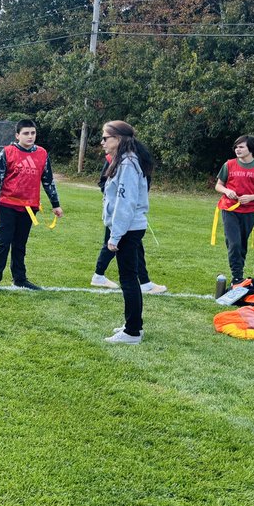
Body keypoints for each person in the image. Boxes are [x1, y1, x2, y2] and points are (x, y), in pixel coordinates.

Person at [0, 118, 64, 292]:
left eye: (33, 133)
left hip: (29, 207)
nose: (30, 136)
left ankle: (20, 278)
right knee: (3, 243)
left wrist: (55, 204)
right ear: (17, 135)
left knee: (20, 244)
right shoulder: (8, 152)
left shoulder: (42, 153)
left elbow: (48, 180)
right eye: (26, 133)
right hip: (7, 204)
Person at [100, 121, 151, 344]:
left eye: (105, 138)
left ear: (118, 139)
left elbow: (125, 203)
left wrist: (115, 235)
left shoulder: (128, 163)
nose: (102, 142)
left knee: (129, 279)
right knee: (130, 277)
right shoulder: (124, 161)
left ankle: (132, 332)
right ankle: (134, 326)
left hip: (129, 229)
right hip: (128, 228)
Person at [91, 152, 166, 293]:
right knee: (112, 243)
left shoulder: (136, 159)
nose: (103, 142)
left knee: (134, 246)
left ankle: (144, 282)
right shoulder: (117, 159)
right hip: (118, 212)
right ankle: (99, 275)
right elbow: (104, 183)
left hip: (128, 214)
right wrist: (116, 200)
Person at [214, 134, 254, 286]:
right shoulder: (229, 165)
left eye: (241, 147)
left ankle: (238, 275)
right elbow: (218, 185)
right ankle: (237, 278)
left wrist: (251, 197)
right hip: (229, 209)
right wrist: (227, 191)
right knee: (233, 243)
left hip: (249, 211)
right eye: (236, 147)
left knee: (242, 245)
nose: (237, 149)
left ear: (250, 149)